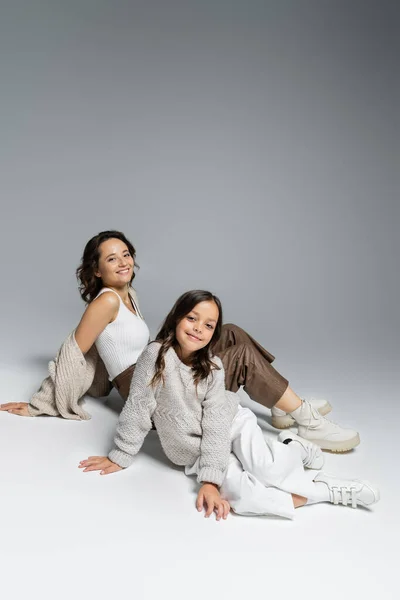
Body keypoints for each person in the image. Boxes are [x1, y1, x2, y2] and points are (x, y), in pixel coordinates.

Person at [0, 230, 359, 452]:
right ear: (97, 270)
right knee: (243, 356)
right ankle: (305, 418)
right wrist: (41, 402)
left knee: (229, 331)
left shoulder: (128, 293)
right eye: (112, 258)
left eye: (126, 253)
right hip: (150, 390)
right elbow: (74, 352)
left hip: (156, 366)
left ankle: (280, 403)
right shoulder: (106, 300)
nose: (123, 262)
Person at [78, 290, 379, 520]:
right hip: (193, 449)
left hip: (230, 424)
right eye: (192, 318)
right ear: (176, 318)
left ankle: (311, 467)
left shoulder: (213, 367)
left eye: (208, 325)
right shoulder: (154, 357)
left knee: (268, 470)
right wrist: (121, 455)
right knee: (247, 501)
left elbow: (216, 424)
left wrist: (210, 479)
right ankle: (314, 474)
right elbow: (138, 409)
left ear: (213, 334)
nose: (198, 328)